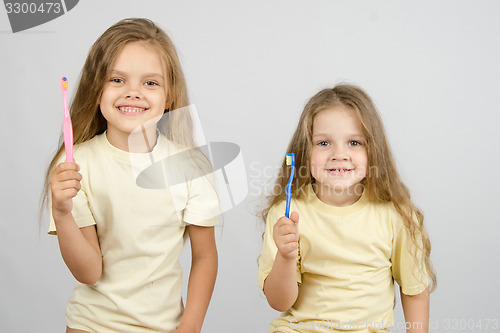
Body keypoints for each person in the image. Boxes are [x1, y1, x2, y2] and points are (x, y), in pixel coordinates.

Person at [42, 18, 219, 333]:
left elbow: (205, 257)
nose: (133, 93)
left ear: (170, 96)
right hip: (91, 326)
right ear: (97, 90)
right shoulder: (76, 164)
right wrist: (62, 213)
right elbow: (89, 271)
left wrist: (190, 327)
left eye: (150, 83)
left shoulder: (192, 168)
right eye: (117, 80)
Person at [258, 84, 436, 333]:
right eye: (323, 143)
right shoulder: (287, 215)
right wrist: (285, 257)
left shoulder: (396, 215)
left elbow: (414, 291)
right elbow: (278, 302)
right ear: (304, 151)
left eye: (354, 142)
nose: (339, 154)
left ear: (374, 151)